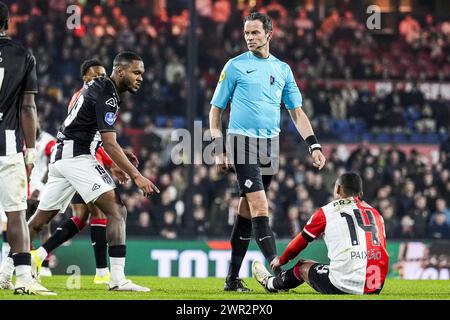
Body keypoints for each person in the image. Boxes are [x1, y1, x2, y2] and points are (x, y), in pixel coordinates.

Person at [209, 12, 326, 292]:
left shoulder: (283, 70)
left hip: (270, 146)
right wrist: (218, 149)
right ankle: (278, 268)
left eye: (255, 33)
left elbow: (296, 113)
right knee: (261, 206)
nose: (250, 38)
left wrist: (314, 145)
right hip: (241, 142)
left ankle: (232, 279)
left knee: (247, 213)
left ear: (269, 35)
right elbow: (215, 112)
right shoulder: (235, 66)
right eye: (247, 33)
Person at [26, 51, 159, 293]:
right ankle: (115, 278)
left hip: (63, 155)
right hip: (77, 156)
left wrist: (118, 155)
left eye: (142, 73)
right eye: (136, 72)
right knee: (117, 210)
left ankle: (7, 270)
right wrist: (137, 176)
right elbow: (108, 142)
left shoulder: (99, 88)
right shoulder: (108, 94)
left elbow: (90, 131)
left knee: (39, 222)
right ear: (120, 71)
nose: (141, 78)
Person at [252, 172, 389, 295]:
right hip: (375, 286)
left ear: (338, 189)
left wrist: (281, 260)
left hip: (344, 284)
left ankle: (271, 283)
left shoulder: (327, 211)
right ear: (361, 194)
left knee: (301, 266)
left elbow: (300, 242)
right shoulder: (377, 214)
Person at [0, 1, 54, 295]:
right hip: (7, 144)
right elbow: (28, 107)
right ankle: (22, 279)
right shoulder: (22, 55)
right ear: (7, 23)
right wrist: (31, 151)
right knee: (16, 213)